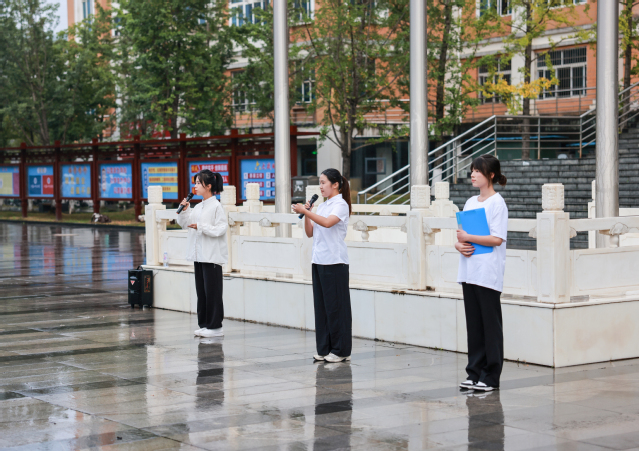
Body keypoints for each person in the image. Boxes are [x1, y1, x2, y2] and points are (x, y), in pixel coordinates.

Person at [455, 154, 508, 392]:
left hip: (487, 272)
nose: (473, 175)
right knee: (474, 326)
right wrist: (458, 244)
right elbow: (461, 234)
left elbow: (497, 238)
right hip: (469, 271)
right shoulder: (470, 202)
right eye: (472, 171)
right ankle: (474, 373)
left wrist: (468, 237)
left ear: (491, 175)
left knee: (490, 327)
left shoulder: (497, 203)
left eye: (478, 171)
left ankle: (491, 377)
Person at [292, 168, 352, 363]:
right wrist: (307, 214)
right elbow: (310, 233)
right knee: (322, 307)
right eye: (320, 182)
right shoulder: (323, 206)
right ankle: (324, 348)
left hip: (335, 262)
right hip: (319, 260)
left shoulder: (340, 204)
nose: (321, 186)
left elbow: (327, 223)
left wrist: (305, 211)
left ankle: (341, 350)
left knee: (336, 308)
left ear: (335, 184)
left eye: (324, 182)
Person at [176, 170, 228, 338]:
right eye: (196, 182)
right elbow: (185, 224)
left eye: (199, 183)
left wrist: (201, 227)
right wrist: (185, 211)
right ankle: (205, 325)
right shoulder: (198, 207)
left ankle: (215, 327)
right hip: (199, 256)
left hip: (211, 256)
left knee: (213, 292)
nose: (195, 186)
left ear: (209, 186)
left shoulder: (217, 206)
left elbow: (221, 229)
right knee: (202, 292)